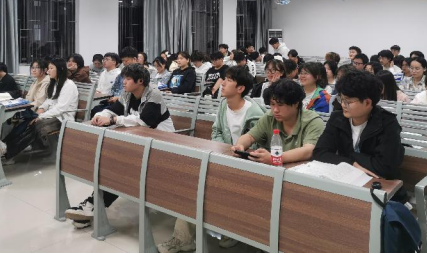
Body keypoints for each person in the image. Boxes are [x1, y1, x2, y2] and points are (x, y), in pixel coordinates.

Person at [158, 67, 266, 253]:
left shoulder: (254, 112)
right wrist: (223, 151)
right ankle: (183, 238)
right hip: (224, 159)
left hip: (248, 167)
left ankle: (229, 230)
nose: (222, 83)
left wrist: (233, 156)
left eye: (229, 80)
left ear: (240, 88)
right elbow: (216, 130)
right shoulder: (224, 104)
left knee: (207, 188)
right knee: (195, 184)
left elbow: (258, 145)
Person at [66, 64, 175, 230]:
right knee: (116, 167)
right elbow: (114, 109)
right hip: (142, 142)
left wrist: (113, 120)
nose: (123, 82)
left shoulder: (154, 94)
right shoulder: (128, 94)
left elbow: (145, 121)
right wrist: (101, 115)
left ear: (140, 81)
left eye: (128, 79)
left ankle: (91, 206)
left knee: (122, 170)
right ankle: (91, 206)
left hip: (163, 145)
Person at [313, 71, 405, 181]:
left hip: (379, 184)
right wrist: (351, 163)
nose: (343, 105)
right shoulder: (337, 118)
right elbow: (320, 153)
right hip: (347, 179)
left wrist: (348, 156)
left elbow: (385, 167)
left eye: (348, 101)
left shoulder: (387, 123)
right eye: (341, 99)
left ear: (367, 103)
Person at [231, 79, 325, 165]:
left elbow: (308, 151)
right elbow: (250, 136)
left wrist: (275, 158)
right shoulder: (270, 117)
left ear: (296, 103)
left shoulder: (313, 121)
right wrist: (240, 145)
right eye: (272, 104)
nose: (275, 110)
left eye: (280, 105)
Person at [4, 57, 79, 162]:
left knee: (37, 124)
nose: (48, 71)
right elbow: (49, 100)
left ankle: (9, 152)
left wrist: (41, 116)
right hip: (53, 114)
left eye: (51, 68)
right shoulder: (55, 83)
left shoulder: (68, 85)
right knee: (29, 122)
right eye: (48, 68)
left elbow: (60, 108)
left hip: (63, 117)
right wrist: (42, 109)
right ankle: (7, 148)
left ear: (61, 69)